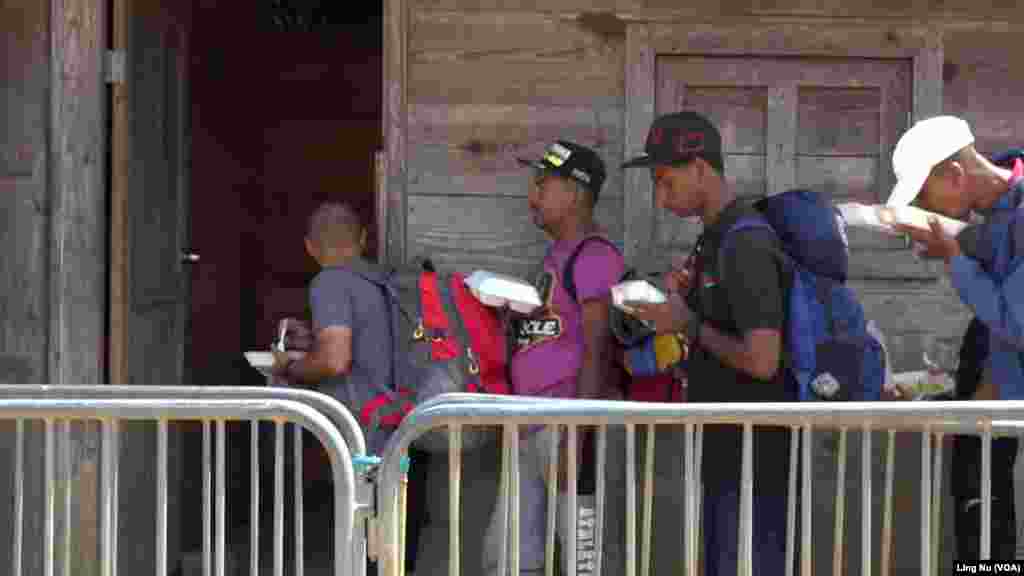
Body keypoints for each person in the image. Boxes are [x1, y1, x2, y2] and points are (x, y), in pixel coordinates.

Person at [622, 111, 791, 575]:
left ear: (700, 168)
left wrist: (688, 322)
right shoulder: (714, 240)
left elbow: (763, 361)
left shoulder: (747, 243)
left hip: (753, 457)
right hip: (723, 448)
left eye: (665, 181)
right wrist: (680, 303)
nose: (660, 197)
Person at [482, 140, 624, 576]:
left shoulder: (595, 256)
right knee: (510, 558)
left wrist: (577, 434)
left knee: (587, 561)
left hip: (570, 429)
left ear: (577, 194)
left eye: (543, 185)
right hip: (532, 426)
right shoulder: (554, 257)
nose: (533, 196)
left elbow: (599, 348)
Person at [886, 117, 1024, 560]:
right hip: (998, 396)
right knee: (982, 514)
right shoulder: (998, 213)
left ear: (955, 175)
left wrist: (955, 258)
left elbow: (1016, 322)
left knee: (989, 522)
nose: (930, 211)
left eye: (926, 198)